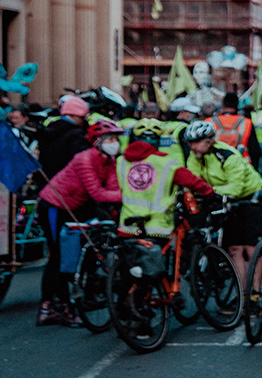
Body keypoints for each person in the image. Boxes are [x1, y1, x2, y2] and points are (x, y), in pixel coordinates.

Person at [35, 120, 126, 327]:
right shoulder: (85, 159)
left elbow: (113, 189)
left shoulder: (109, 160)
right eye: (111, 139)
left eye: (116, 139)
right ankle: (53, 307)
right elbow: (98, 193)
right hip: (54, 206)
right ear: (98, 141)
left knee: (82, 251)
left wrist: (121, 198)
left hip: (75, 207)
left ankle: (83, 295)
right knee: (58, 255)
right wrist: (128, 196)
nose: (115, 143)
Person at [181, 121, 262, 292]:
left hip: (249, 197)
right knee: (234, 249)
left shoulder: (228, 155)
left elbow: (236, 187)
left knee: (250, 248)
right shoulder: (195, 156)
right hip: (221, 197)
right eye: (190, 143)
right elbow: (194, 181)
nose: (192, 147)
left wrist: (209, 191)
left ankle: (255, 295)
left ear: (209, 141)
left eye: (196, 142)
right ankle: (241, 297)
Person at [115, 122, 214, 238]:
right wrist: (210, 193)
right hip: (157, 228)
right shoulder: (167, 163)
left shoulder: (121, 161)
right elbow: (194, 183)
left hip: (127, 225)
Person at [36, 95, 92, 190]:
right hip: (67, 185)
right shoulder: (76, 135)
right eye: (82, 118)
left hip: (47, 183)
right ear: (75, 116)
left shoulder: (50, 129)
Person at [208, 92, 261, 169]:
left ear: (222, 105)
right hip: (242, 167)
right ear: (237, 105)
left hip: (215, 169)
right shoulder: (246, 122)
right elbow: (255, 151)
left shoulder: (210, 122)